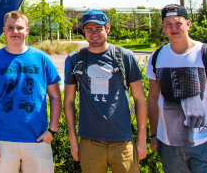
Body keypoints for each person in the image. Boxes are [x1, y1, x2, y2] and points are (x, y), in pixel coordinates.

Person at [147, 4, 207, 173]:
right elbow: (152, 97)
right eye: (168, 24)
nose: (173, 28)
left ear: (188, 24)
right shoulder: (157, 57)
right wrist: (154, 134)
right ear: (163, 27)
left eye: (178, 23)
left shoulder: (206, 54)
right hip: (169, 146)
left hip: (204, 144)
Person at [63, 10, 147, 173]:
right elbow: (69, 101)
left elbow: (140, 99)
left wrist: (142, 138)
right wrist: (73, 140)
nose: (94, 34)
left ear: (107, 28)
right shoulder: (74, 60)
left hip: (123, 141)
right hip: (90, 143)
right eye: (89, 29)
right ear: (83, 31)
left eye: (99, 29)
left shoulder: (125, 57)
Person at [0, 11, 62, 173]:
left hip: (37, 139)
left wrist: (52, 130)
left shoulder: (42, 58)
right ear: (4, 31)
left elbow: (55, 96)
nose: (15, 32)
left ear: (27, 30)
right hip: (2, 140)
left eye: (19, 28)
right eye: (10, 28)